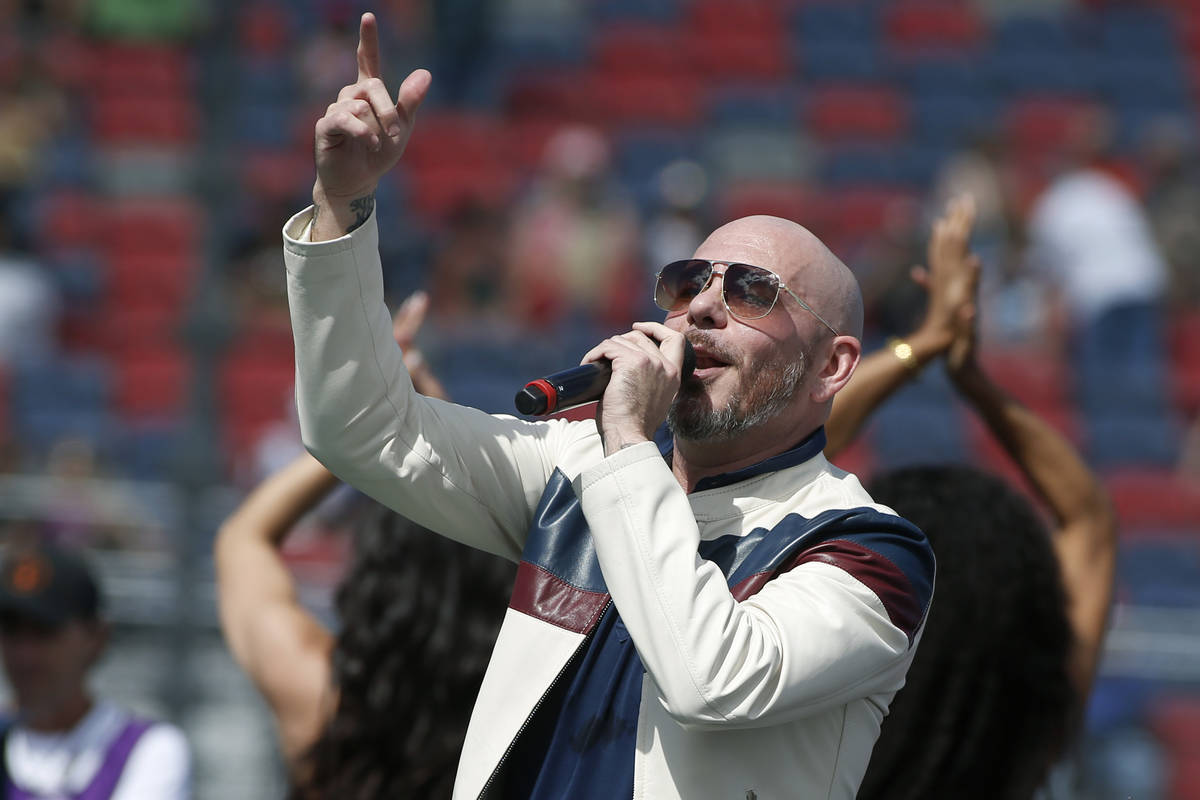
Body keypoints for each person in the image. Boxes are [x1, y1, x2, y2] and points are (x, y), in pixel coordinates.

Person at [279, 13, 934, 799]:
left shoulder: (868, 552)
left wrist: (624, 438)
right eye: (690, 282)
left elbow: (714, 680)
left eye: (753, 292)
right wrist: (341, 204)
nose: (702, 309)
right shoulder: (585, 476)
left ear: (833, 367)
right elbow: (364, 431)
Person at [825, 196, 1118, 799]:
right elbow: (1087, 519)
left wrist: (923, 342)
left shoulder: (823, 713)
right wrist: (974, 381)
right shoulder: (1037, 724)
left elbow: (790, 453)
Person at [216, 291, 516, 798]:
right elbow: (483, 504)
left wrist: (366, 427)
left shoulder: (319, 698)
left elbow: (243, 539)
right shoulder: (526, 729)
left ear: (371, 572)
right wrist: (431, 413)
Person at [0, 539, 191, 799]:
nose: (25, 654)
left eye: (44, 632)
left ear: (96, 637)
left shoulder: (147, 750)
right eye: (12, 632)